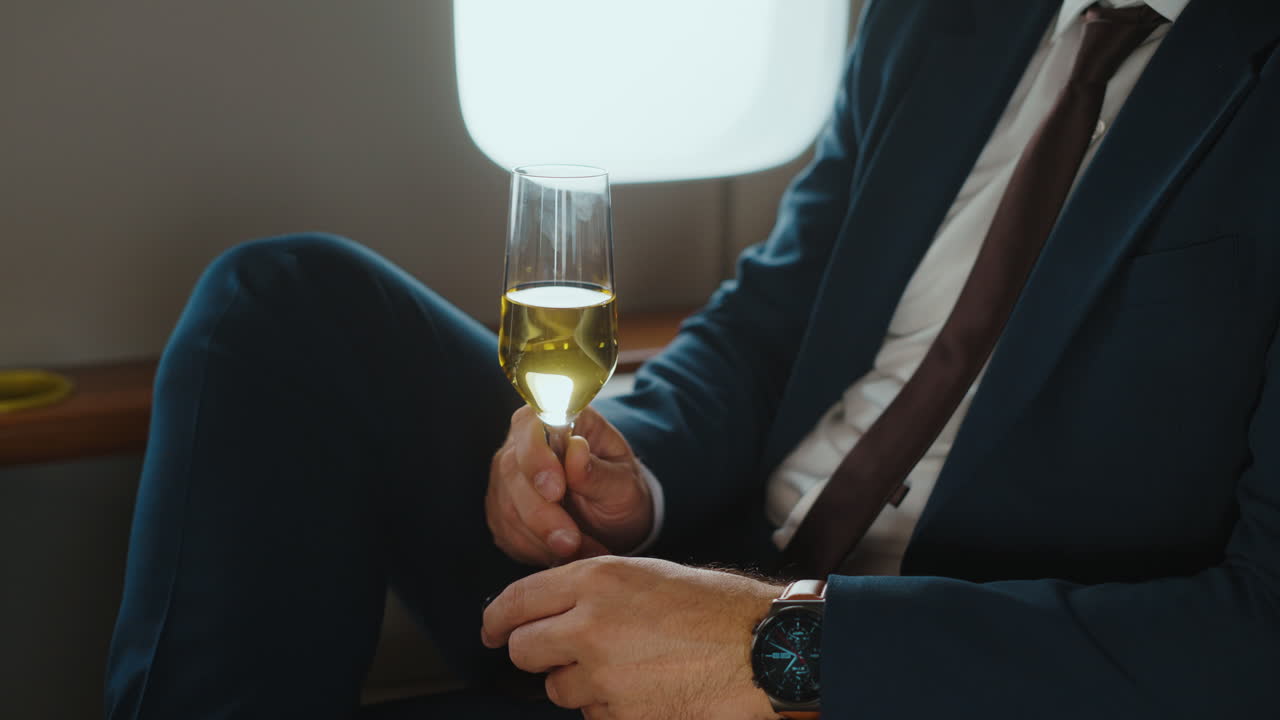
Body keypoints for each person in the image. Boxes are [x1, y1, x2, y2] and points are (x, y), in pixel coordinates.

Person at [106, 0, 1280, 718]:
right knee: (285, 303)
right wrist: (635, 469)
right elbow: (768, 319)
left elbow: (1253, 638)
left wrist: (786, 651)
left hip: (929, 656)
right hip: (701, 555)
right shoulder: (946, 14)